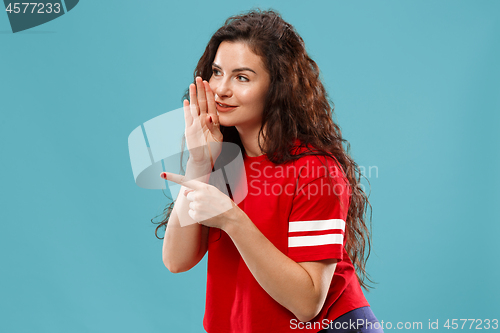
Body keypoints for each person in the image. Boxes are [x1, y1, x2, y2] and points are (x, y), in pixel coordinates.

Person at [155, 9, 383, 333]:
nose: (221, 89)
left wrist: (232, 219)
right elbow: (176, 260)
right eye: (217, 72)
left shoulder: (316, 171)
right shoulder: (222, 160)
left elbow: (307, 304)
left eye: (242, 77)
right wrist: (199, 163)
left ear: (277, 87)